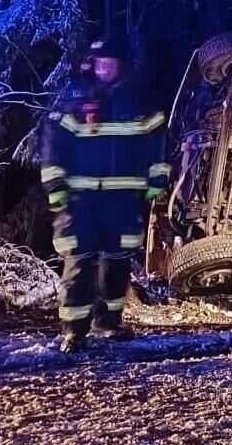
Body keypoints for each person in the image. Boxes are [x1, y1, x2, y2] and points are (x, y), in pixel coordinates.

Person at [40, 37, 170, 353]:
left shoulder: (138, 104)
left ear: (121, 67)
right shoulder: (74, 102)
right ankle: (74, 331)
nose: (105, 69)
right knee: (79, 262)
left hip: (123, 200)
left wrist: (158, 180)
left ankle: (109, 323)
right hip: (81, 201)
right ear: (92, 65)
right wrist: (55, 188)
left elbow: (157, 144)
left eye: (110, 63)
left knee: (117, 263)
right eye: (100, 63)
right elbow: (52, 149)